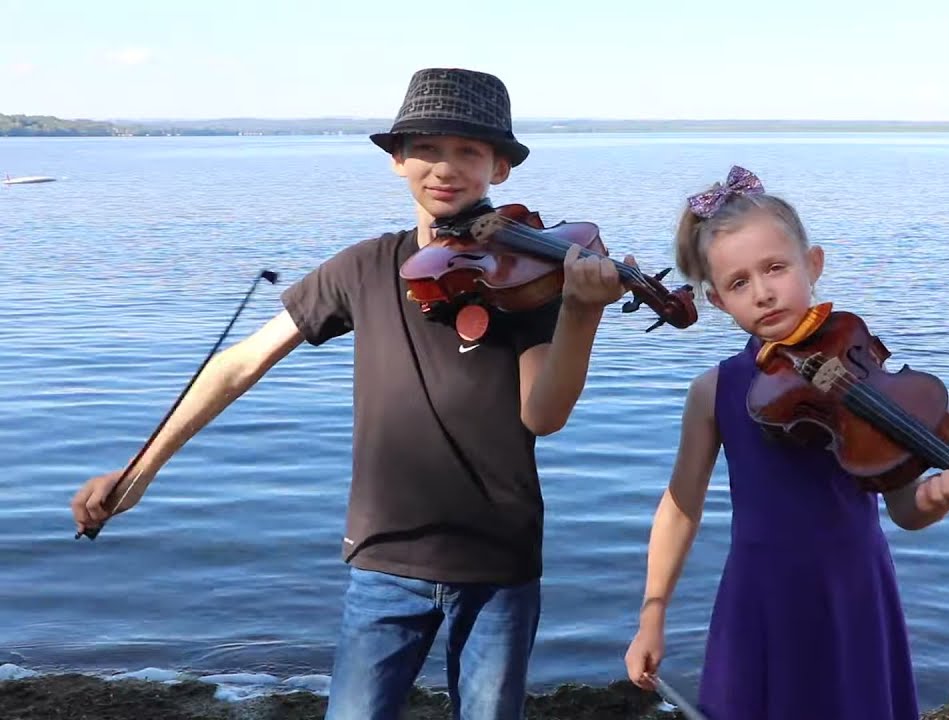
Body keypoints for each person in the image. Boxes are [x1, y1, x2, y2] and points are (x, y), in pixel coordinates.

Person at [71, 67, 633, 720]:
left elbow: (543, 415)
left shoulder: (529, 279)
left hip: (498, 567)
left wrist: (581, 315)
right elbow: (237, 365)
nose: (444, 167)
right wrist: (141, 470)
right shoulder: (363, 268)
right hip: (383, 562)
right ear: (397, 159)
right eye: (425, 147)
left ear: (499, 169)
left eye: (469, 151)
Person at [622, 166, 949, 719]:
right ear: (718, 301)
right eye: (739, 282)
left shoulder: (862, 374)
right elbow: (680, 508)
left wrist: (938, 497)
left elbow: (905, 508)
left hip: (854, 593)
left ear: (812, 265)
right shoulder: (714, 391)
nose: (764, 292)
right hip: (760, 599)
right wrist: (653, 611)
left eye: (775, 268)